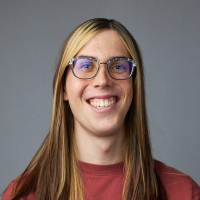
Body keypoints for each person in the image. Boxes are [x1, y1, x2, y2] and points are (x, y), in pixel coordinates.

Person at [1, 18, 200, 200]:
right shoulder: (22, 195)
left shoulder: (183, 192)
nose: (102, 80)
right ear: (63, 89)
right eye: (86, 65)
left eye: (118, 67)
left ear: (134, 87)